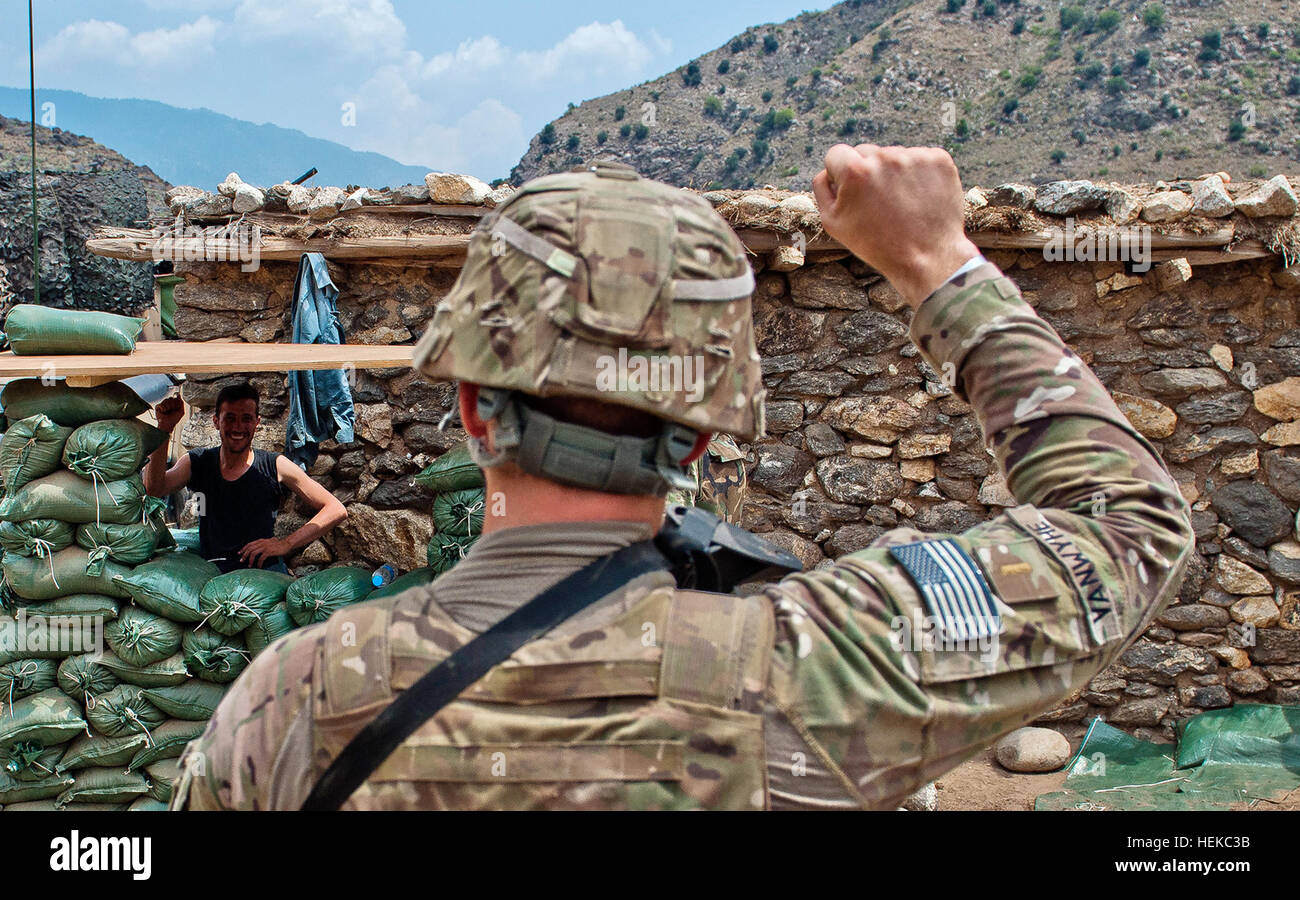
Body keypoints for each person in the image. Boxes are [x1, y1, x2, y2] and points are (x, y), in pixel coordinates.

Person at [174, 148, 1192, 810]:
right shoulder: (820, 669)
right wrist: (937, 260)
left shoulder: (293, 698)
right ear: (702, 440)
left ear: (475, 410)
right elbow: (1129, 525)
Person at [144, 381, 347, 574]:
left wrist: (286, 544)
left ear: (257, 422)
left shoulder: (274, 465)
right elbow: (154, 488)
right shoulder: (198, 462)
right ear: (216, 421)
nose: (238, 427)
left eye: (246, 419)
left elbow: (335, 509)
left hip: (261, 574)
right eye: (230, 418)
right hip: (213, 570)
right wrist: (164, 429)